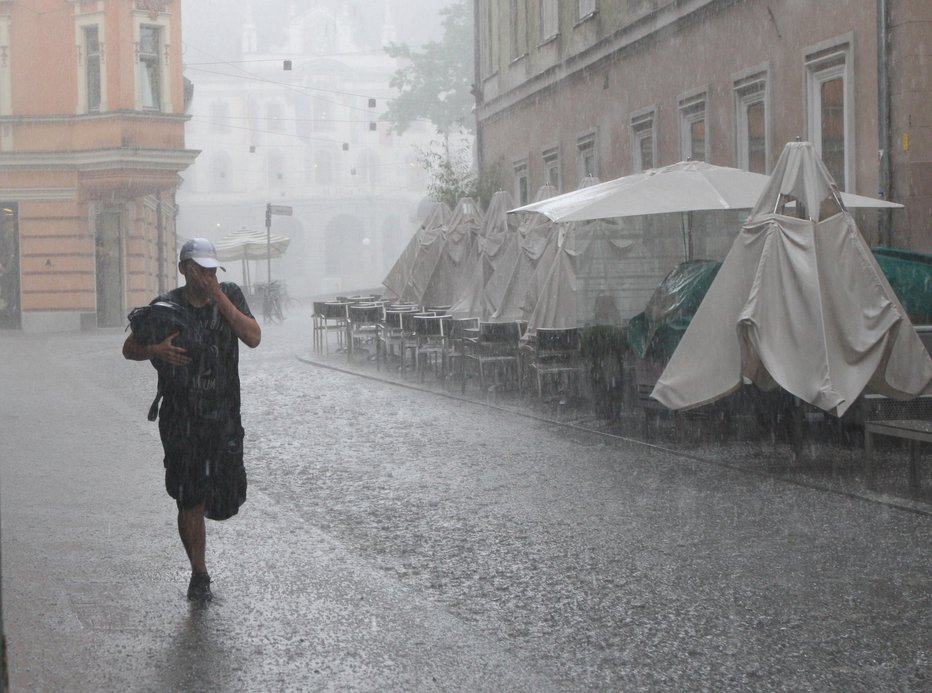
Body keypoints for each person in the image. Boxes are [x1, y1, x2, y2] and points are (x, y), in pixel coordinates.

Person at [123, 238, 261, 601]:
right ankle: (199, 573)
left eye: (212, 269)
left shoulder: (228, 294)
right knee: (189, 497)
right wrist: (155, 350)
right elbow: (128, 349)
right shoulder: (166, 307)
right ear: (184, 268)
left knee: (229, 493)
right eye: (200, 270)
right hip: (181, 417)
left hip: (224, 416)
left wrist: (219, 297)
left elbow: (253, 337)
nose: (206, 276)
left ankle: (207, 520)